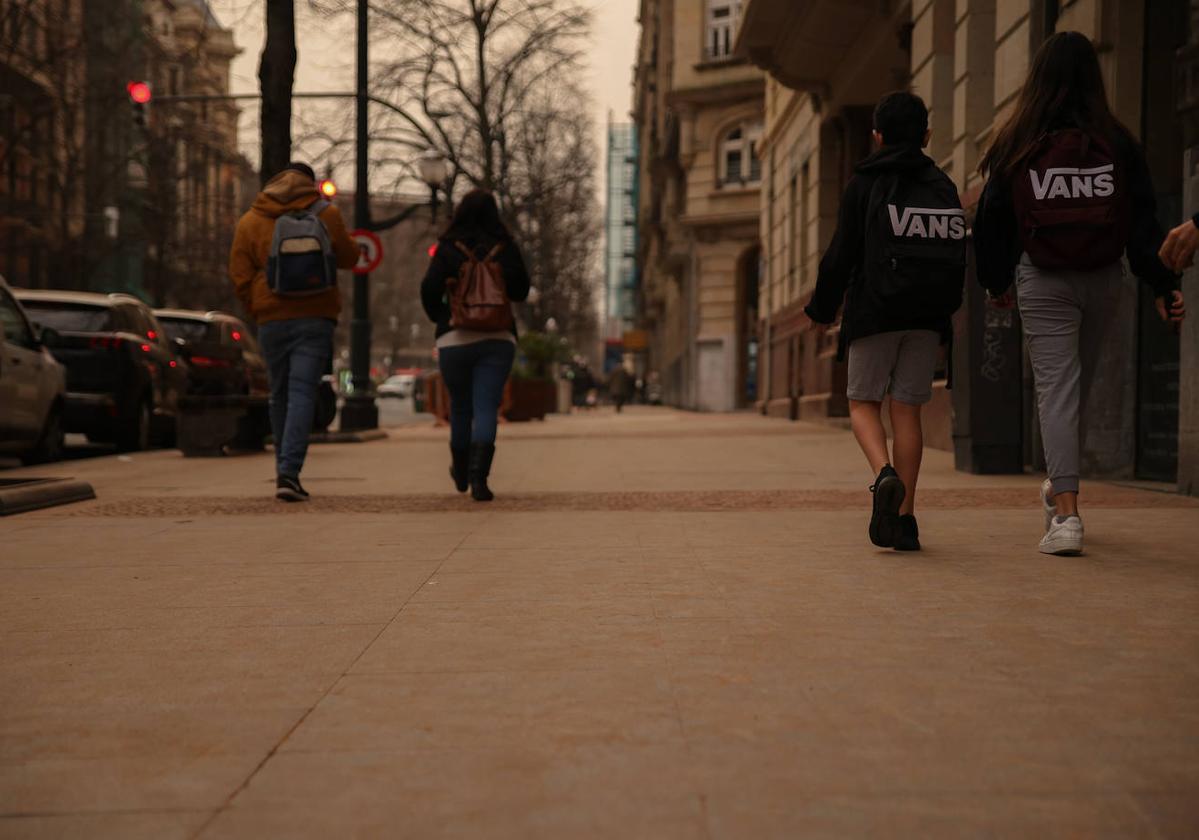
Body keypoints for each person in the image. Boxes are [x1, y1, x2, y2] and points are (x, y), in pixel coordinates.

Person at [974, 31, 1186, 556]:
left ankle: (1064, 515)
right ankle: (1064, 500)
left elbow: (991, 220)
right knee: (1073, 392)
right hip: (1103, 278)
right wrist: (1162, 284)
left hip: (1042, 278)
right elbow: (1142, 221)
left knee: (1061, 392)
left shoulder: (1017, 140)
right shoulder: (1118, 142)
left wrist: (996, 282)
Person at [804, 91, 966, 552]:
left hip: (875, 312)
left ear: (877, 136)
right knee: (908, 413)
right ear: (927, 136)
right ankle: (907, 520)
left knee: (862, 404)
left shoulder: (865, 183)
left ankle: (883, 474)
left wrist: (822, 308)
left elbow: (841, 254)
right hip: (927, 317)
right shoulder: (943, 186)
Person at [229, 162, 359, 502]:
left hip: (271, 318)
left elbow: (239, 274)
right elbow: (349, 256)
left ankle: (282, 470)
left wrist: (257, 305)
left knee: (279, 393)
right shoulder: (325, 214)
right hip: (315, 315)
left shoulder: (251, 220)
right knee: (303, 391)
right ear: (310, 184)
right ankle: (290, 472)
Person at [420, 189, 530, 502]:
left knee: (459, 406)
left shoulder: (447, 248)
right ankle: (479, 479)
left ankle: (461, 467)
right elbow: (522, 290)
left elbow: (428, 288)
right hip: (498, 338)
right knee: (486, 407)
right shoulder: (505, 247)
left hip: (454, 339)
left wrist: (441, 318)